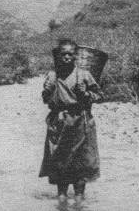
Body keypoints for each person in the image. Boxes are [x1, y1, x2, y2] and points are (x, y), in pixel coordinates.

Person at [39, 39, 104, 204]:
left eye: (70, 54)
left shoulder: (84, 74)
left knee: (81, 159)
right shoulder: (53, 76)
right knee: (60, 157)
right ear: (58, 56)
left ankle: (79, 195)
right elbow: (47, 101)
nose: (66, 57)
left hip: (80, 121)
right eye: (63, 54)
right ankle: (61, 195)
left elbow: (99, 96)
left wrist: (86, 95)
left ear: (76, 56)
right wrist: (47, 91)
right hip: (59, 122)